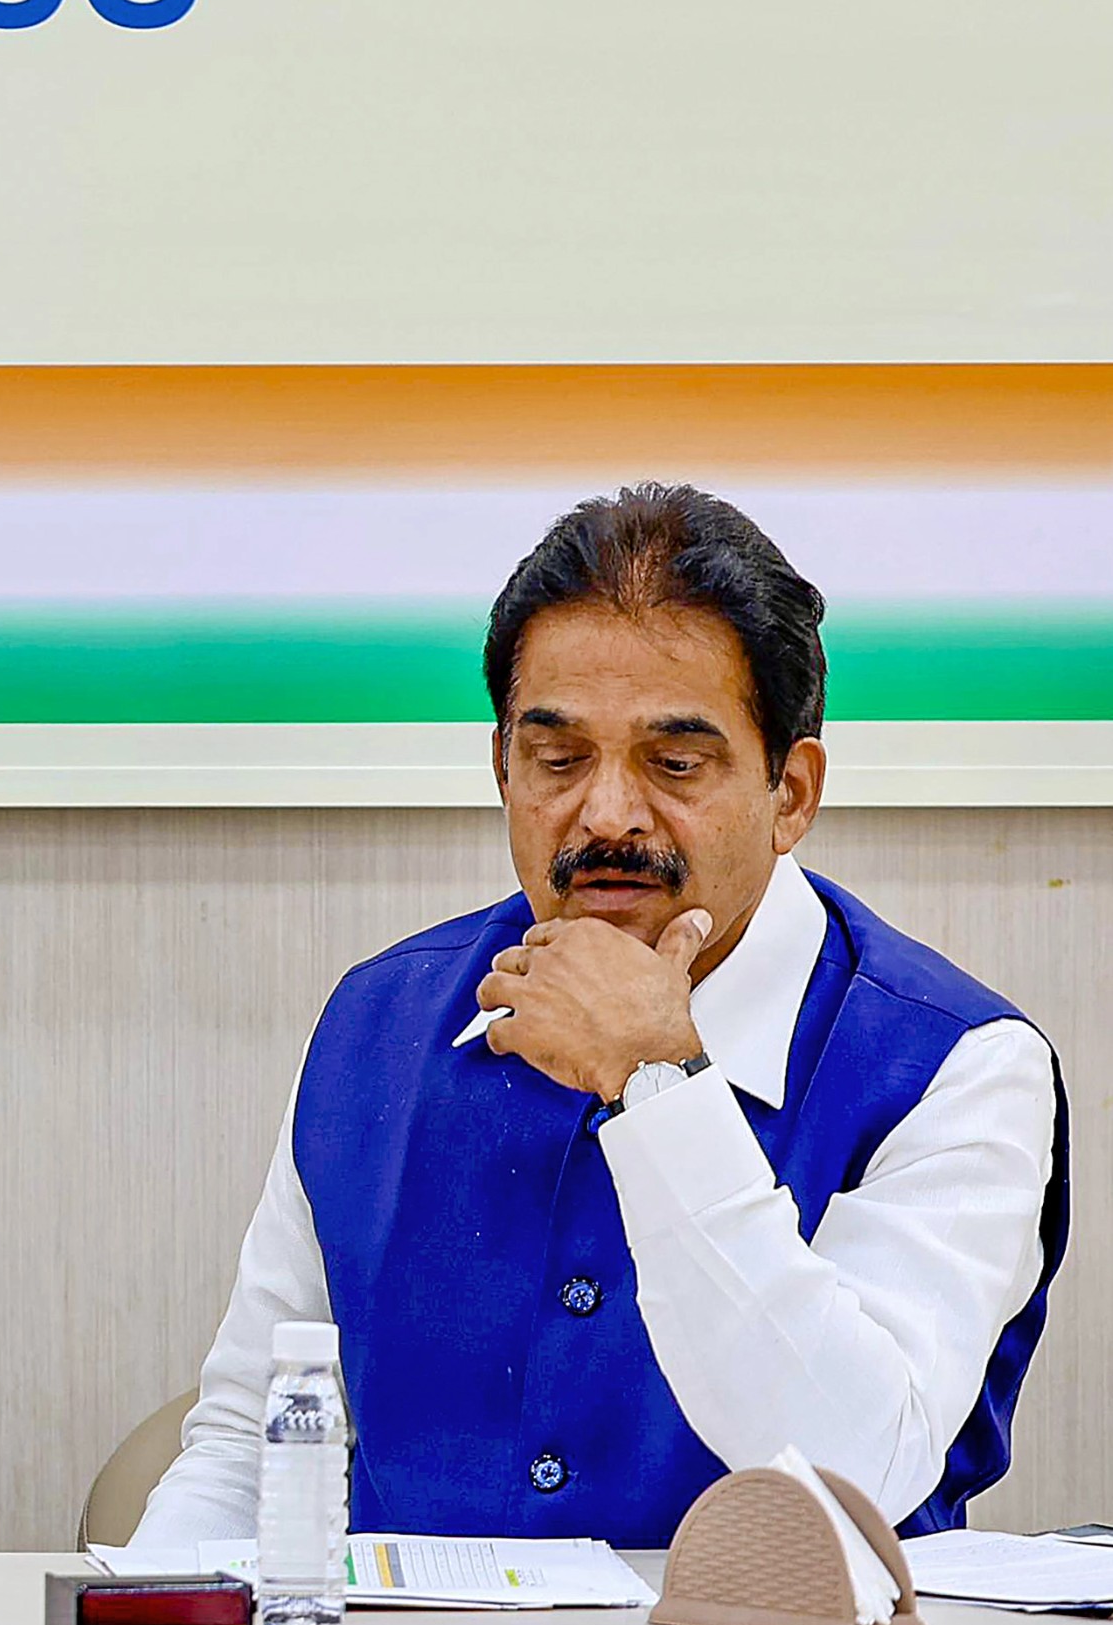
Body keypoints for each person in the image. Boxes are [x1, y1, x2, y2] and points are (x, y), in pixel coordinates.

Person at [138, 484, 1065, 1547]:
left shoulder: (958, 1067)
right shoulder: (374, 1025)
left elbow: (855, 1474)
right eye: (558, 759)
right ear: (501, 768)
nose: (609, 815)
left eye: (674, 764)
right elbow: (251, 1446)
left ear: (790, 792)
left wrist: (659, 1080)